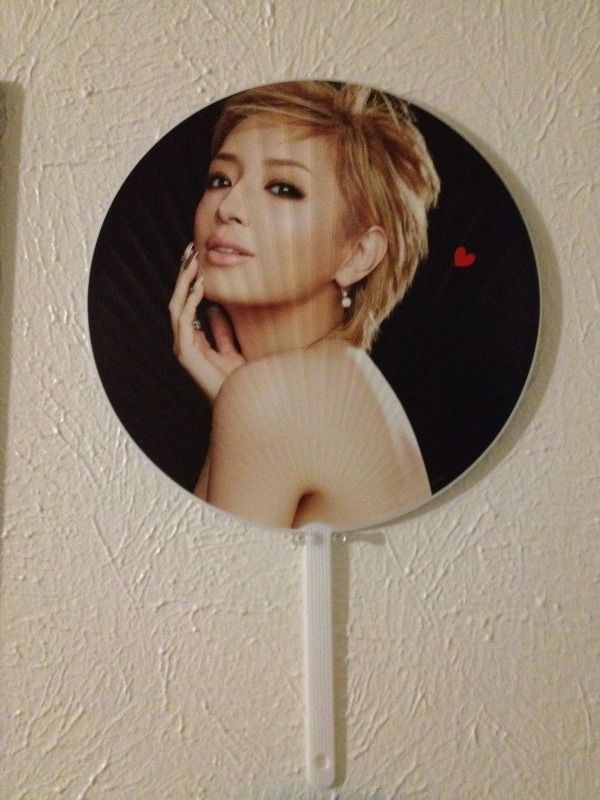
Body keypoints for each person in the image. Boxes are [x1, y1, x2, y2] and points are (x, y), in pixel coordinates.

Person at [169, 81, 440, 530]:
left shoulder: (283, 394)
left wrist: (245, 402)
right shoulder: (330, 380)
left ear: (357, 255)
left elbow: (203, 575)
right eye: (220, 179)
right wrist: (232, 401)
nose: (228, 206)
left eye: (283, 188)